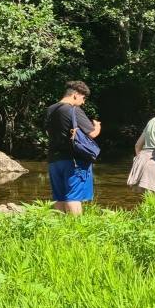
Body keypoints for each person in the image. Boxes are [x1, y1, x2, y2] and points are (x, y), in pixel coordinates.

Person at [44, 81, 101, 215]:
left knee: (59, 197)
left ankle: (59, 228)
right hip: (74, 160)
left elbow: (47, 132)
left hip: (54, 159)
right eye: (83, 98)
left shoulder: (50, 110)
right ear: (75, 95)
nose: (83, 102)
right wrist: (97, 126)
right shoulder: (73, 110)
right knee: (74, 197)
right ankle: (75, 229)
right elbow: (92, 133)